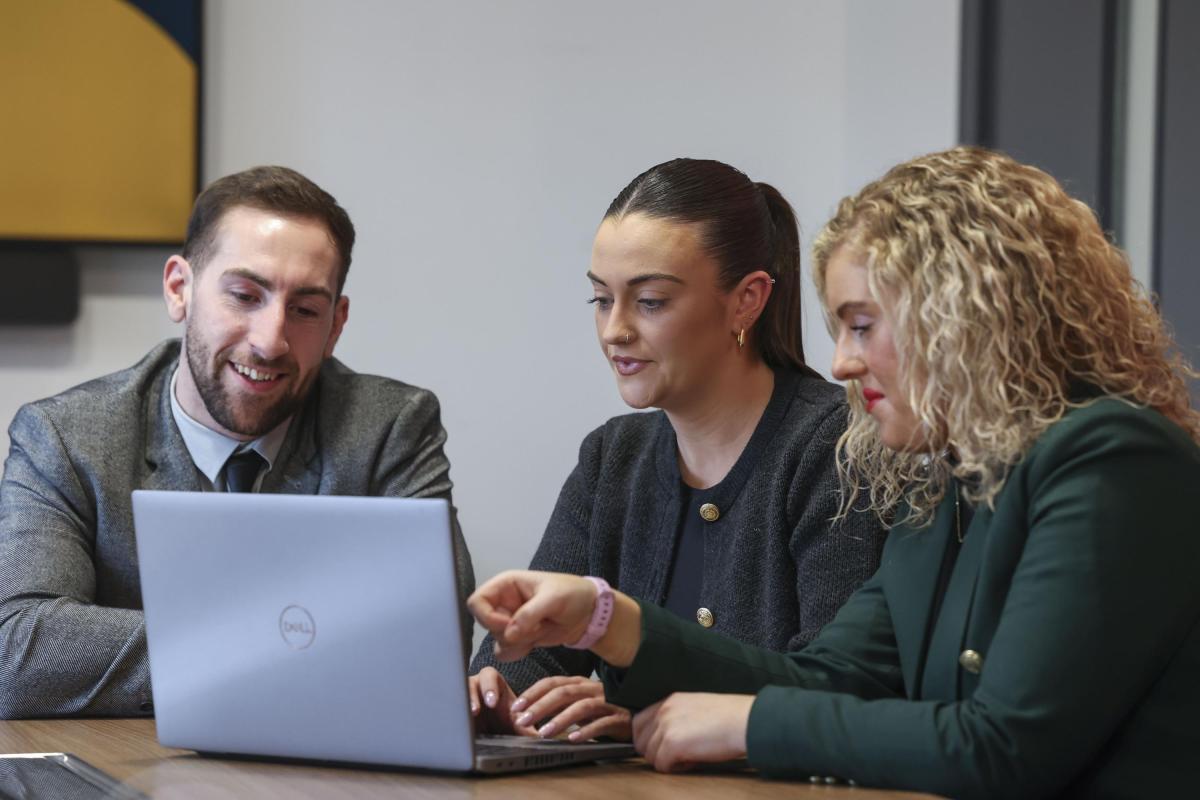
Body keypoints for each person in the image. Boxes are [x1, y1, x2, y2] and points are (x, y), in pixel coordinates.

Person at [468, 147, 1200, 798]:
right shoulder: (949, 483)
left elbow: (1006, 748)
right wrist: (607, 618)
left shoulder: (1114, 457)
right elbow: (827, 680)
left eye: (861, 325)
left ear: (959, 318)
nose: (843, 362)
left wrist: (750, 725)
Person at [0, 166, 474, 718]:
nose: (271, 341)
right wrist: (283, 638)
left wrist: (200, 648)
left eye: (304, 310)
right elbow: (18, 652)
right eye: (245, 296)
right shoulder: (67, 437)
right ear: (180, 289)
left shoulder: (389, 429)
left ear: (336, 324)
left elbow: (432, 643)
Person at [469, 158, 885, 742]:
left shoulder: (838, 449)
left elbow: (836, 695)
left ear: (747, 301)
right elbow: (530, 652)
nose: (614, 329)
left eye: (651, 301)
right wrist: (494, 690)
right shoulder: (611, 458)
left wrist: (636, 710)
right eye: (600, 300)